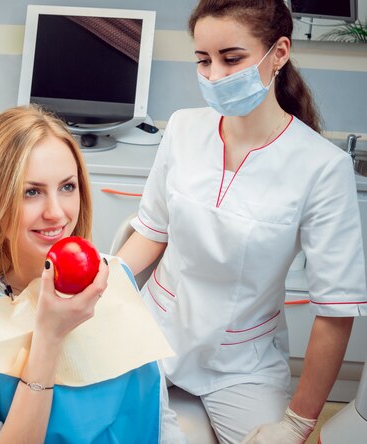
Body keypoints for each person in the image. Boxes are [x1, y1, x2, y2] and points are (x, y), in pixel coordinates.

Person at [117, 0, 367, 443]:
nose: (214, 76)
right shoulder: (183, 128)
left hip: (241, 361)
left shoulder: (322, 167)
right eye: (203, 60)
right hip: (153, 333)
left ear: (280, 53)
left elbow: (336, 310)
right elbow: (152, 233)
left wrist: (298, 423)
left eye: (232, 59)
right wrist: (105, 279)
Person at [0, 105, 187, 443]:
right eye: (31, 192)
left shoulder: (117, 276)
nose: (57, 213)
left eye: (67, 187)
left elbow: (159, 416)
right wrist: (47, 338)